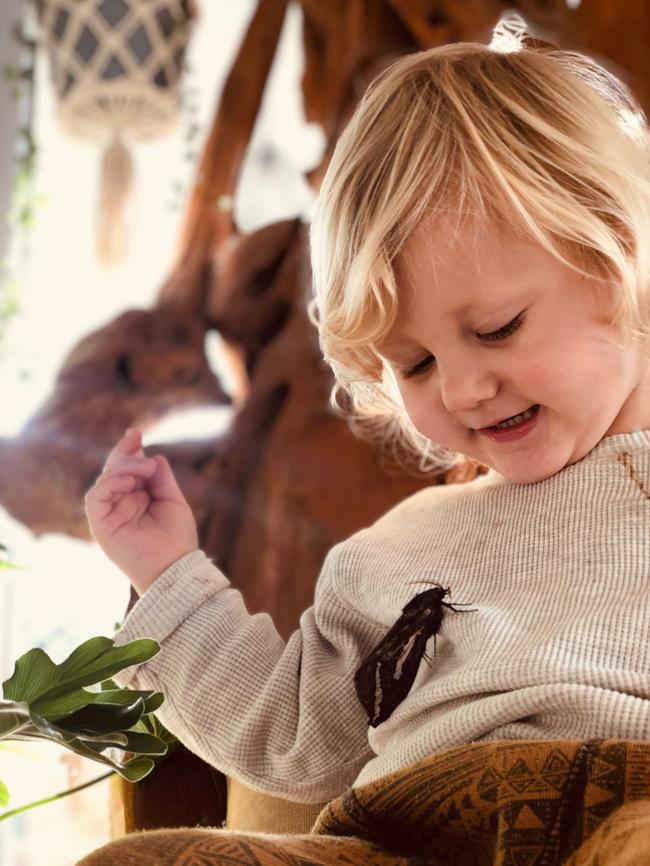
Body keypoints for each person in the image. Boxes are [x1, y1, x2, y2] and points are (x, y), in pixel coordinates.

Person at [78, 15, 650, 866]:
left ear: (619, 257)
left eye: (496, 328)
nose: (461, 389)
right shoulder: (400, 550)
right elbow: (291, 740)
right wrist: (168, 578)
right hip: (407, 838)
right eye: (413, 364)